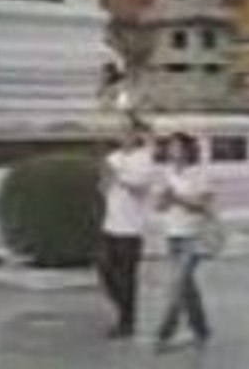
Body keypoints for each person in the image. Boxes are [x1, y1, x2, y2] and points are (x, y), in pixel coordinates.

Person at [155, 132, 213, 353]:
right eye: (171, 147)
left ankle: (164, 333)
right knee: (187, 288)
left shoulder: (199, 174)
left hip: (193, 236)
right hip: (173, 234)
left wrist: (178, 198)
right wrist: (164, 198)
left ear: (188, 150)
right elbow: (159, 207)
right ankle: (201, 329)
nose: (173, 150)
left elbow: (203, 205)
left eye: (177, 146)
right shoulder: (166, 173)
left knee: (177, 286)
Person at [99, 121, 155, 339]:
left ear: (135, 135)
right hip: (110, 224)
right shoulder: (112, 157)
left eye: (128, 133)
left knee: (127, 277)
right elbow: (103, 188)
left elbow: (140, 188)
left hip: (131, 228)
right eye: (120, 133)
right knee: (105, 270)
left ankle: (126, 322)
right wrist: (105, 178)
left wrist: (119, 177)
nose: (123, 136)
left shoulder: (143, 158)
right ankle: (124, 310)